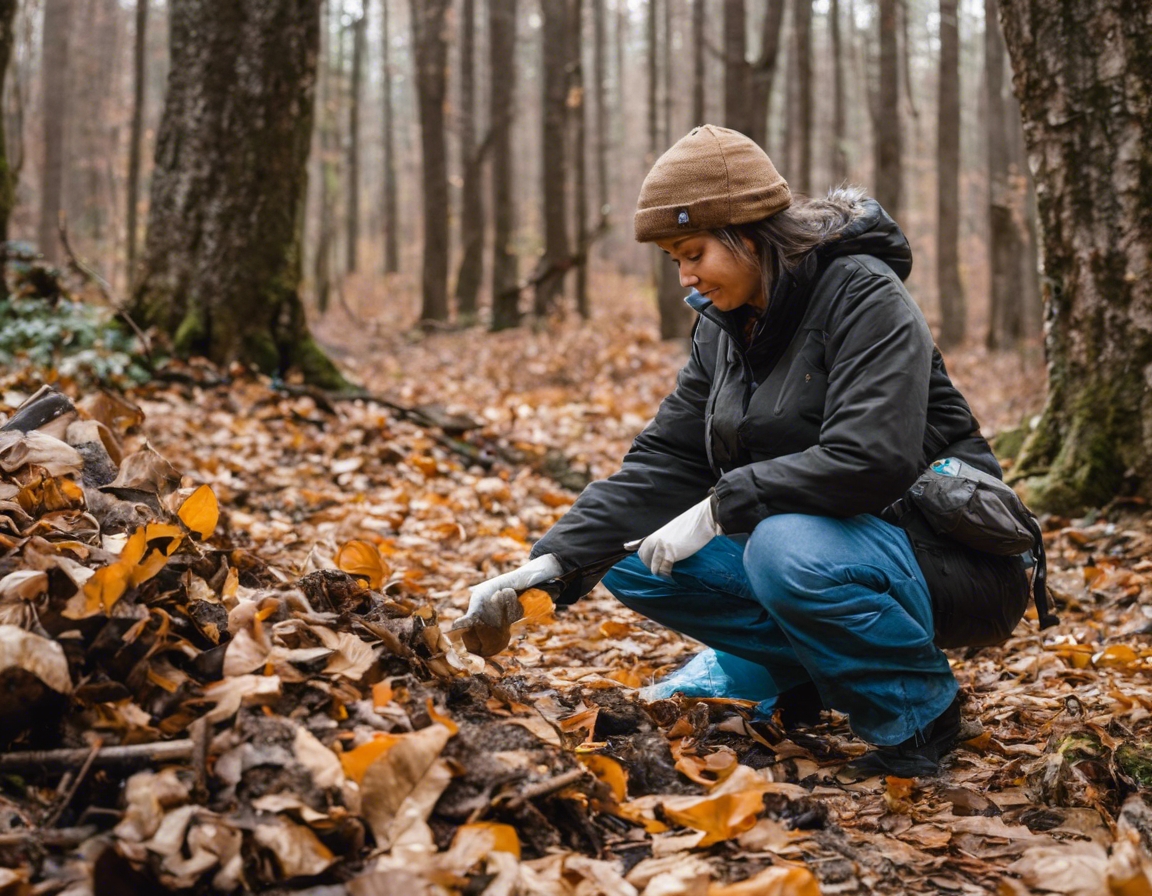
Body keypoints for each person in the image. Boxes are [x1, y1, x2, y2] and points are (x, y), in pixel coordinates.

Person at [453, 125, 1029, 777]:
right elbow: (667, 459)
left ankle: (919, 714)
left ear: (750, 232)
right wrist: (549, 566)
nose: (685, 277)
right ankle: (803, 677)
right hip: (827, 548)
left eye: (693, 251)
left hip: (949, 555)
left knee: (784, 546)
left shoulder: (865, 293)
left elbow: (872, 458)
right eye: (674, 259)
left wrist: (721, 507)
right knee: (626, 557)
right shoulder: (722, 326)